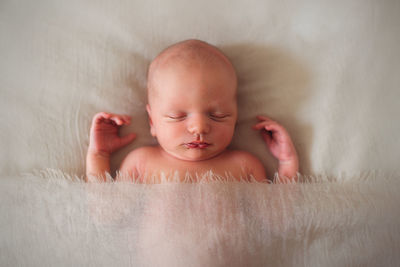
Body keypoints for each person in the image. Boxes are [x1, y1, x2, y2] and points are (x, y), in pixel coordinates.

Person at [85, 39, 299, 183]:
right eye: (177, 116)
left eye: (218, 115)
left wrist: (287, 164)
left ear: (236, 117)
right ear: (152, 122)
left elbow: (275, 224)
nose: (199, 127)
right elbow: (105, 215)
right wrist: (99, 156)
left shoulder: (243, 166)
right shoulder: (141, 163)